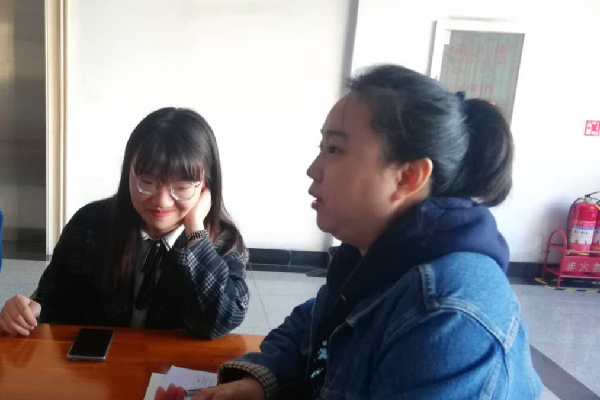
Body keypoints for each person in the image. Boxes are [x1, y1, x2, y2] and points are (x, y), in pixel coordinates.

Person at [158, 64, 542, 400]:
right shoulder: (372, 258)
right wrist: (259, 383)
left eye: (335, 149)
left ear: (408, 177)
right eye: (321, 146)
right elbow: (309, 328)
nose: (313, 168)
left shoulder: (449, 319)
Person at [0, 108, 249, 339]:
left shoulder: (223, 241)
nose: (162, 201)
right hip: (96, 369)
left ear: (206, 185)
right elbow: (52, 301)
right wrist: (25, 313)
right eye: (147, 182)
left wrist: (195, 233)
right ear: (128, 173)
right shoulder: (89, 225)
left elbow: (219, 322)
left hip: (174, 369)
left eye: (182, 187)